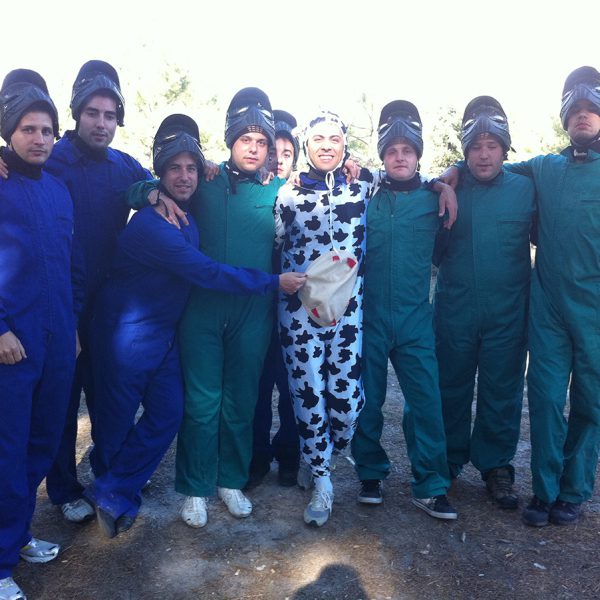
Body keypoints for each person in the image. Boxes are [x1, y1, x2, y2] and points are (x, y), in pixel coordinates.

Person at [85, 114, 305, 538]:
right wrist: (149, 191)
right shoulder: (172, 210)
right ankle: (150, 489)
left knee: (198, 408)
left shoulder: (270, 188)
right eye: (174, 169)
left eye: (262, 141)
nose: (185, 176)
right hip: (132, 335)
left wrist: (355, 171)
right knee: (157, 414)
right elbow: (202, 267)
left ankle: (220, 481)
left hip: (180, 330)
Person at [128, 87, 288, 528]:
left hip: (252, 312)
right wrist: (150, 194)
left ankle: (230, 480)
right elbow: (142, 187)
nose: (253, 149)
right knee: (202, 401)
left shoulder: (279, 190)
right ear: (230, 140)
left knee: (241, 399)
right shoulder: (206, 180)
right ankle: (195, 487)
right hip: (201, 310)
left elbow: (330, 193)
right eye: (245, 140)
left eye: (261, 142)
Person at [42, 60, 152, 523]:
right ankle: (64, 489)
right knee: (62, 402)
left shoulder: (121, 166)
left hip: (107, 308)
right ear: (76, 113)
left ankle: (109, 474)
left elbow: (156, 183)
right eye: (93, 113)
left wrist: (200, 172)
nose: (101, 123)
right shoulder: (49, 159)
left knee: (109, 398)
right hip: (59, 305)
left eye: (110, 115)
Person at [350, 101, 458, 520]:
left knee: (426, 401)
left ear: (418, 155)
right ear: (382, 156)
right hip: (370, 318)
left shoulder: (434, 200)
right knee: (367, 400)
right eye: (392, 150)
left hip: (415, 320)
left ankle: (430, 485)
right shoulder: (365, 197)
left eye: (407, 151)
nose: (400, 157)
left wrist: (443, 183)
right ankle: (370, 473)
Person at [0, 69, 81, 600]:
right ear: (10, 133)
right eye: (27, 129)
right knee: (7, 452)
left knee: (42, 442)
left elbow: (71, 264)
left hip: (56, 341)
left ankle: (17, 533)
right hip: (12, 345)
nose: (38, 138)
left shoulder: (58, 190)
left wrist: (71, 326)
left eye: (47, 130)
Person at [433, 96, 535, 510]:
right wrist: (443, 180)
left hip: (507, 313)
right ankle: (447, 460)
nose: (484, 154)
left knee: (502, 390)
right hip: (456, 310)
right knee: (450, 386)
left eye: (492, 145)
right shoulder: (448, 188)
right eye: (475, 147)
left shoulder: (526, 188)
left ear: (505, 148)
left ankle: (497, 467)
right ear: (465, 151)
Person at [276, 110, 377, 526]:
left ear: (344, 145)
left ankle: (324, 452)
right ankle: (321, 478)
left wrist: (447, 181)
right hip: (298, 313)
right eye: (318, 139)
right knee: (308, 395)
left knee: (346, 403)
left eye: (334, 139)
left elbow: (410, 176)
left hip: (347, 314)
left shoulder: (364, 186)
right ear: (307, 145)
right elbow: (272, 243)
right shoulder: (288, 194)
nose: (326, 146)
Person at [514, 66, 600, 526]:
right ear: (564, 118)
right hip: (548, 307)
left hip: (595, 312)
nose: (583, 116)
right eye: (575, 109)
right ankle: (544, 491)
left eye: (591, 108)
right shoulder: (546, 168)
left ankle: (573, 490)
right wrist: (444, 175)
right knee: (546, 397)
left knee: (591, 402)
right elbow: (489, 167)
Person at [247, 110, 301, 489]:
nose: (279, 160)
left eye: (287, 153)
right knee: (259, 386)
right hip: (257, 307)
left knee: (292, 386)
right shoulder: (253, 193)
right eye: (274, 152)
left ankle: (289, 455)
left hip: (296, 311)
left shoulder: (305, 195)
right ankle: (256, 457)